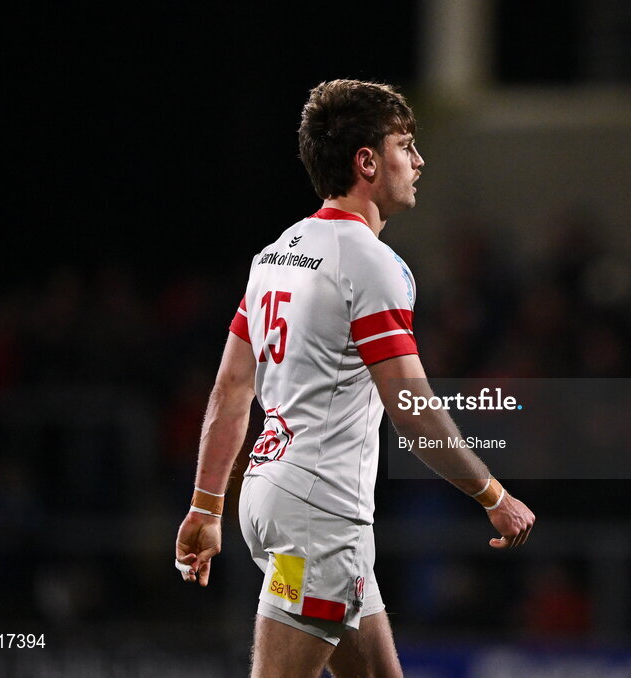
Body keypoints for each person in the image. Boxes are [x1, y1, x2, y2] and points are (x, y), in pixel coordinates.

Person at [174, 79, 536, 678]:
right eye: (405, 145)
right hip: (320, 511)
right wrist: (493, 496)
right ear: (366, 161)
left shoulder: (276, 255)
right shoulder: (371, 262)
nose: (418, 161)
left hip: (274, 496)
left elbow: (231, 390)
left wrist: (207, 506)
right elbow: (412, 407)